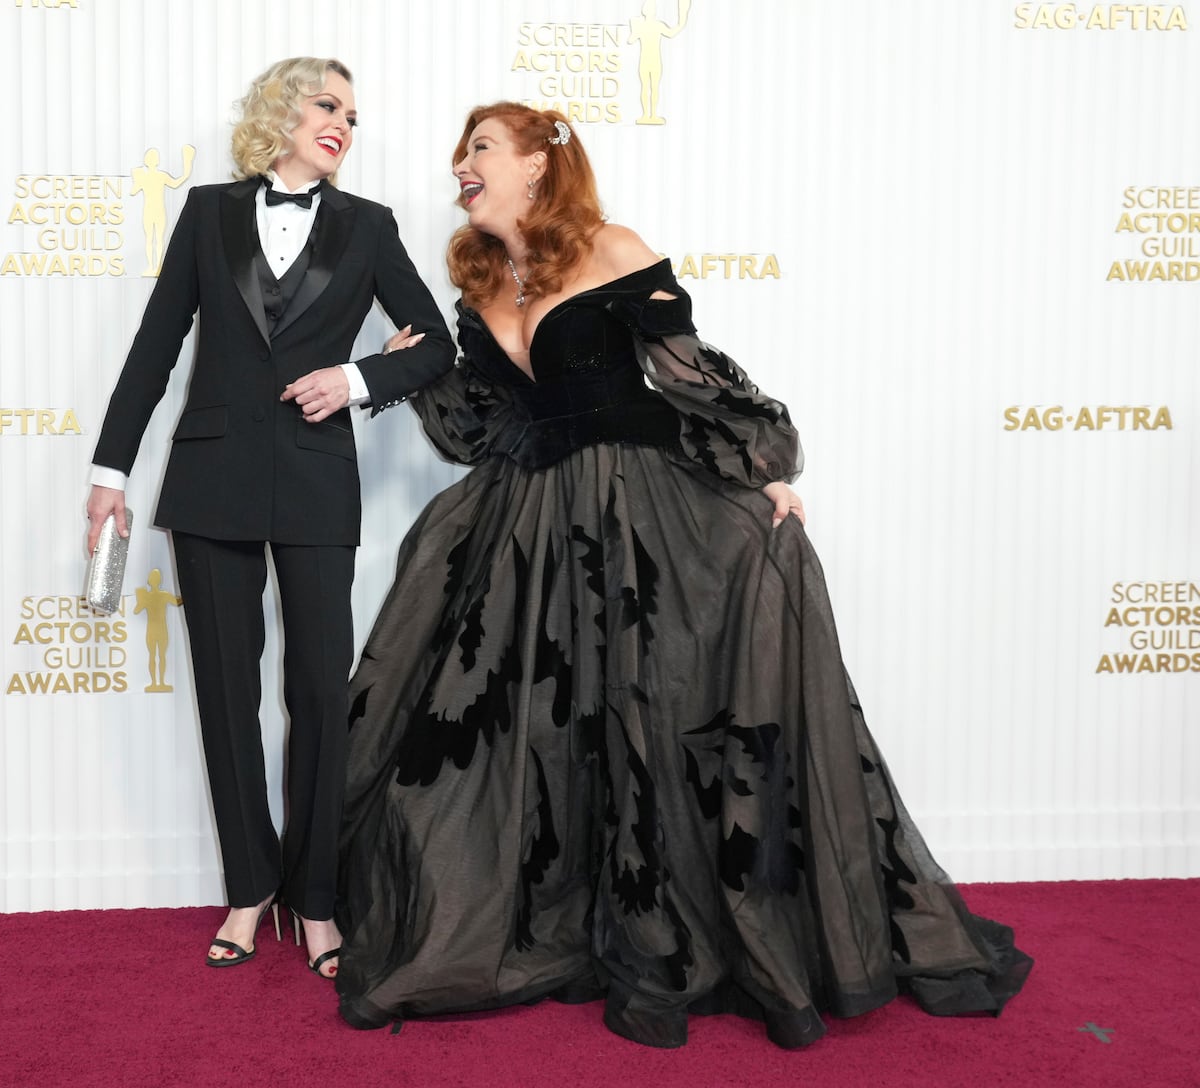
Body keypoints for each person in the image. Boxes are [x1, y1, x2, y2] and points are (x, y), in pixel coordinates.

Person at [335, 103, 1031, 1047]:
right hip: (532, 525)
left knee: (646, 720)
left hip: (642, 511)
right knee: (517, 731)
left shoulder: (612, 246)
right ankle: (544, 921)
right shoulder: (479, 286)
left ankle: (664, 937)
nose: (461, 164)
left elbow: (687, 372)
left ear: (537, 165)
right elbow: (477, 431)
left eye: (482, 148)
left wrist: (762, 472)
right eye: (460, 152)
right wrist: (412, 370)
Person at [86, 57, 454, 979]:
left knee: (322, 696)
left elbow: (437, 344)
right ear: (281, 113)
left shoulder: (369, 228)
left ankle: (317, 902)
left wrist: (357, 377)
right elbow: (156, 346)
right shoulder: (209, 212)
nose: (344, 124)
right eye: (328, 105)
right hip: (211, 478)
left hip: (318, 479)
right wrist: (109, 469)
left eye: (354, 116)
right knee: (224, 688)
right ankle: (251, 889)